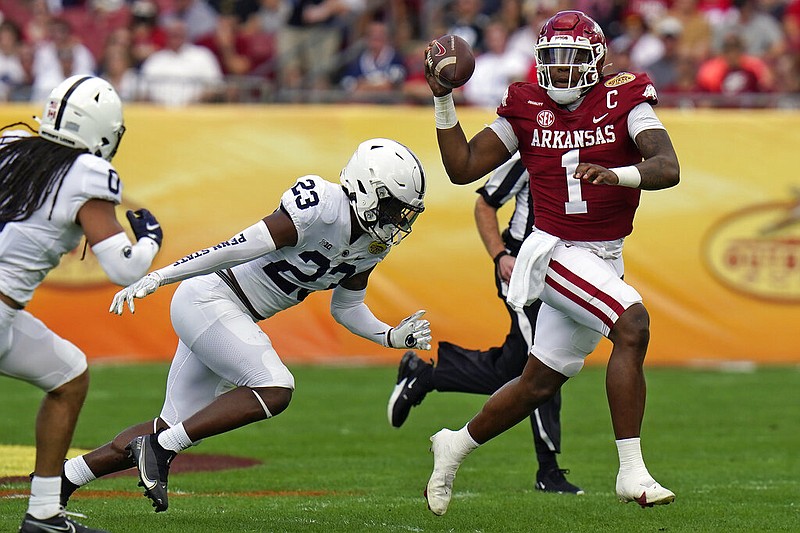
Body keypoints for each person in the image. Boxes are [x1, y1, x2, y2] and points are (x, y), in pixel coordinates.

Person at [60, 138, 432, 514]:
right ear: (367, 188)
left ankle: (64, 479)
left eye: (403, 212)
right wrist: (164, 275)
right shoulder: (321, 206)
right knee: (276, 387)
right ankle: (159, 449)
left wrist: (389, 335)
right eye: (392, 207)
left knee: (168, 425)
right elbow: (238, 247)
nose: (396, 219)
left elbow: (348, 307)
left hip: (226, 314)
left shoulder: (373, 244)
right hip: (213, 297)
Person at [421, 10, 680, 515]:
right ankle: (631, 470)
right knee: (632, 323)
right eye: (552, 60)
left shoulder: (625, 96)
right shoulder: (525, 105)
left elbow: (666, 167)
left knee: (538, 382)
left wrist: (617, 175)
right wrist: (442, 99)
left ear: (596, 61)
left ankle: (455, 443)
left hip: (603, 255)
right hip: (554, 250)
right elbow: (463, 168)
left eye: (571, 60)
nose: (559, 71)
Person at [0, 75, 163, 533]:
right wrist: (149, 241)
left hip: (5, 315)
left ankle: (45, 513)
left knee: (68, 374)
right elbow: (124, 269)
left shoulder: (12, 143)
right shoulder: (86, 172)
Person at [388, 152, 583, 495]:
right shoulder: (533, 152)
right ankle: (548, 470)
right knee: (546, 364)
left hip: (561, 272)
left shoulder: (592, 146)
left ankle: (427, 375)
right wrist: (500, 255)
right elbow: (485, 203)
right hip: (522, 270)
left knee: (515, 368)